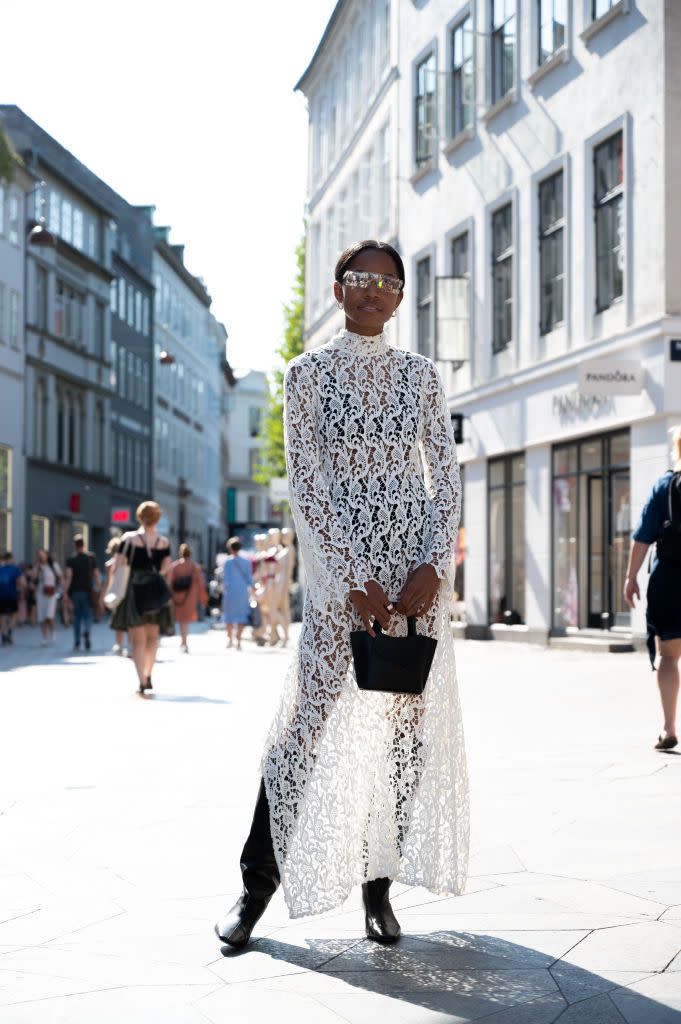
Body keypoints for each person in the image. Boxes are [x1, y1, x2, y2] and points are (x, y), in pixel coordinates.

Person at [215, 240, 468, 949]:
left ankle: (377, 895)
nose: (371, 291)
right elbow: (308, 482)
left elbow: (442, 478)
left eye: (386, 283)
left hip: (414, 586)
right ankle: (253, 889)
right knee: (302, 731)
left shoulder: (421, 377)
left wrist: (430, 564)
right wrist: (351, 578)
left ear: (398, 297)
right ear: (337, 289)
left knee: (402, 738)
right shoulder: (306, 375)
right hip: (339, 586)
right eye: (359, 279)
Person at [624, 425, 681, 750]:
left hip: (670, 581)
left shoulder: (665, 486)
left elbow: (643, 537)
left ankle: (669, 727)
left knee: (669, 656)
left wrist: (631, 577)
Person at [110, 501, 172, 694]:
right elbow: (165, 568)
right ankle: (149, 672)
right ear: (157, 518)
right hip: (155, 591)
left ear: (139, 517)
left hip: (134, 591)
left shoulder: (128, 539)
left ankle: (141, 680)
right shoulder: (163, 542)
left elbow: (117, 566)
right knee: (153, 637)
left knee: (137, 640)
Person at [63, 535, 100, 652]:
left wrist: (65, 592)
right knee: (88, 615)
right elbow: (97, 574)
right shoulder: (91, 558)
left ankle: (77, 641)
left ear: (75, 545)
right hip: (88, 591)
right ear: (84, 544)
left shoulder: (71, 559)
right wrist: (98, 587)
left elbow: (69, 576)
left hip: (75, 592)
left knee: (77, 617)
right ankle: (87, 631)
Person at [169, 543, 207, 653]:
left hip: (178, 596)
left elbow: (170, 582)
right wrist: (203, 599)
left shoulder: (175, 566)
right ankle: (184, 642)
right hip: (190, 596)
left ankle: (183, 641)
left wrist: (169, 596)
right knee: (186, 620)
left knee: (181, 620)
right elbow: (200, 583)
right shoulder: (195, 566)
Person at [221, 537, 253, 650]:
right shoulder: (247, 562)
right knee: (241, 616)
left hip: (230, 592)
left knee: (229, 616)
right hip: (242, 591)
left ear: (230, 548)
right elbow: (249, 579)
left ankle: (230, 639)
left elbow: (224, 578)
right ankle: (238, 640)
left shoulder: (227, 562)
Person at [104, 537, 127, 656]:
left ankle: (119, 645)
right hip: (127, 592)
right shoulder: (128, 561)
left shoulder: (109, 564)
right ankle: (131, 644)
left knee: (118, 619)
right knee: (129, 619)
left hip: (116, 593)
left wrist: (105, 595)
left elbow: (109, 581)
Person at [35, 548, 61, 646]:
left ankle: (53, 631)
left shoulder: (53, 565)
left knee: (49, 616)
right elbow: (33, 578)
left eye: (43, 554)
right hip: (41, 593)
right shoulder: (38, 566)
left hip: (51, 593)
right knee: (42, 616)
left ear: (47, 555)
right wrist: (37, 568)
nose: (42, 556)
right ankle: (44, 638)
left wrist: (60, 590)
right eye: (39, 555)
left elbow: (60, 576)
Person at [0, 552, 24, 645]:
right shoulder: (15, 569)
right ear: (11, 559)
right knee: (13, 614)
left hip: (1, 596)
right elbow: (22, 582)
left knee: (2, 616)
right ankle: (9, 631)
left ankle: (3, 634)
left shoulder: (1, 569)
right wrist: (21, 592)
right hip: (12, 595)